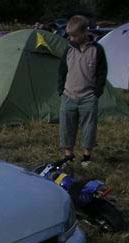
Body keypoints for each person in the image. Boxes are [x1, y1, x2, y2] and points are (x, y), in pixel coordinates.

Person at [58, 15, 108, 167]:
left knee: (89, 128)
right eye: (70, 35)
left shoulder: (97, 50)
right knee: (66, 127)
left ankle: (86, 157)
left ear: (85, 32)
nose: (71, 38)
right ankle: (69, 156)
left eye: (75, 35)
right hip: (68, 96)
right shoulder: (68, 49)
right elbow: (62, 71)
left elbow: (102, 73)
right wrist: (61, 90)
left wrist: (97, 92)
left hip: (88, 97)